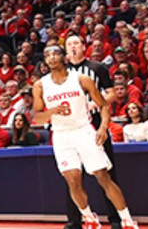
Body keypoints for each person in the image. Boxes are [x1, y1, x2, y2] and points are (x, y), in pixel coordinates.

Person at [32, 45, 139, 229]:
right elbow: (37, 117)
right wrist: (53, 111)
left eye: (55, 53)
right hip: (61, 135)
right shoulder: (40, 85)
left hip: (83, 130)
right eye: (47, 55)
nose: (51, 58)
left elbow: (104, 105)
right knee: (72, 180)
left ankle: (127, 219)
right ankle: (89, 217)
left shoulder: (82, 79)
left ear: (63, 57)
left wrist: (104, 127)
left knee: (102, 176)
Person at [62, 33, 122, 229]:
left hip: (96, 126)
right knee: (72, 177)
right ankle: (74, 220)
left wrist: (96, 103)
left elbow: (112, 92)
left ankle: (116, 219)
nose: (73, 47)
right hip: (70, 129)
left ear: (83, 46)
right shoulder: (60, 73)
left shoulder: (97, 68)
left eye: (76, 43)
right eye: (69, 44)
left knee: (106, 173)